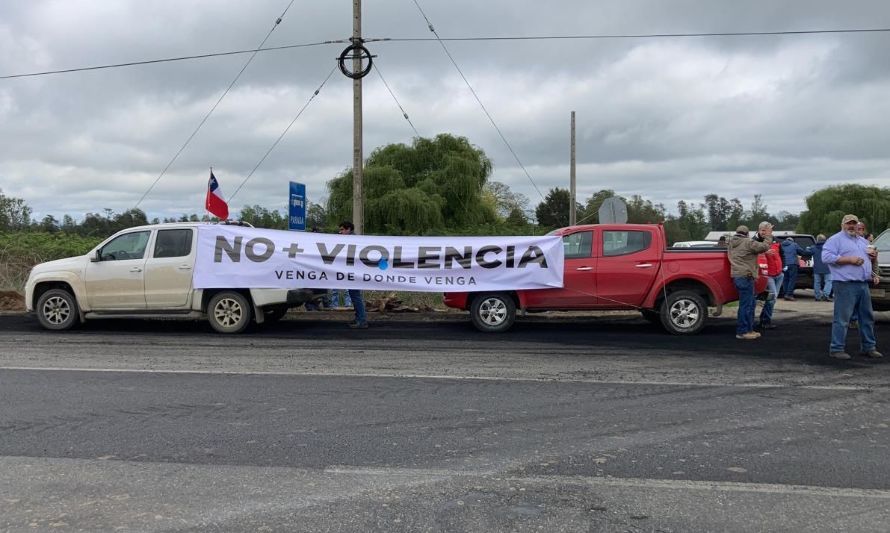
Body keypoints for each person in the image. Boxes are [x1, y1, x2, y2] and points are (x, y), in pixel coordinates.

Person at [821, 214, 881, 360]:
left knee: (867, 317)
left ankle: (868, 347)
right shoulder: (835, 240)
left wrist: (873, 261)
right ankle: (836, 349)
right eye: (849, 223)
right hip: (844, 284)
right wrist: (849, 259)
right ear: (843, 225)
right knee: (842, 319)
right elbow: (826, 257)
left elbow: (868, 259)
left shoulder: (862, 241)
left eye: (854, 223)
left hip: (862, 284)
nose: (852, 226)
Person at [728, 224, 772, 339]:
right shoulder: (747, 242)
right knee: (746, 305)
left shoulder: (731, 243)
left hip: (737, 276)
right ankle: (743, 331)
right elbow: (764, 247)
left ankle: (748, 330)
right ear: (747, 234)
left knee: (747, 304)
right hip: (746, 276)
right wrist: (768, 235)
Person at [338, 221, 368, 329]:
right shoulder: (351, 240)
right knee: (354, 295)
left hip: (355, 273)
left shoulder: (353, 241)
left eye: (342, 230)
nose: (340, 232)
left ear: (349, 229)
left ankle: (362, 320)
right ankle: (359, 318)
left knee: (356, 296)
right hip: (353, 273)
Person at [755, 222, 783, 330]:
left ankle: (764, 319)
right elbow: (753, 255)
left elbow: (782, 254)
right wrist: (764, 252)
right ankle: (765, 321)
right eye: (762, 230)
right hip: (767, 275)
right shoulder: (755, 242)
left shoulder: (775, 240)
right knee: (772, 297)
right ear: (758, 230)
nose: (764, 233)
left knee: (772, 299)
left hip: (779, 274)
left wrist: (783, 267)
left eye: (766, 231)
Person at [807, 234, 832, 302]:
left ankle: (817, 296)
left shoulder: (813, 247)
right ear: (825, 240)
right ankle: (825, 295)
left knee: (817, 282)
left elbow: (806, 253)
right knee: (828, 282)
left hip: (817, 268)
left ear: (817, 240)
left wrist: (807, 248)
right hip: (827, 267)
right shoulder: (829, 247)